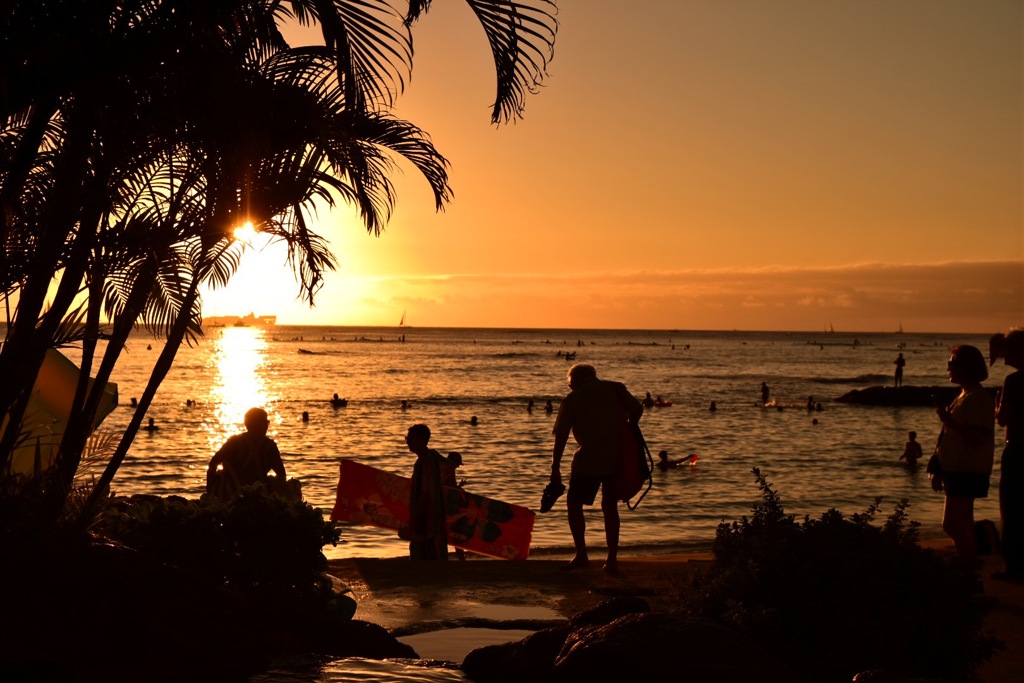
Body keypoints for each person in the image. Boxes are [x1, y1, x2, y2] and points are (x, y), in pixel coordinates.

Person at [549, 363, 643, 575]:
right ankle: (611, 560)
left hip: (588, 459)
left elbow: (561, 436)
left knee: (574, 504)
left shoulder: (573, 398)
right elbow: (637, 409)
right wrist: (628, 427)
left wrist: (555, 467)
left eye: (569, 383)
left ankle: (582, 554)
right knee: (610, 506)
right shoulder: (616, 388)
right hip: (616, 457)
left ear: (574, 382)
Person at [931, 345, 995, 559]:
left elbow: (979, 438)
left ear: (966, 367)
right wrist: (938, 468)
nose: (948, 368)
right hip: (956, 467)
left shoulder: (978, 398)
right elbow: (948, 438)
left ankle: (971, 567)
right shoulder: (964, 395)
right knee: (958, 523)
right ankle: (971, 569)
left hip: (967, 468)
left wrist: (951, 422)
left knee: (953, 524)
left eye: (953, 364)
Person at [206, 407, 290, 500]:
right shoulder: (236, 442)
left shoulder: (269, 446)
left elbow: (281, 474)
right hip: (237, 491)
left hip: (254, 491)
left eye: (266, 423)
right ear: (249, 425)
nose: (266, 426)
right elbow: (213, 463)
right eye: (262, 423)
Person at [401, 424, 456, 561]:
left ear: (422, 440)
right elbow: (450, 466)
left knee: (424, 559)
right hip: (436, 518)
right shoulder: (433, 457)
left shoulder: (423, 463)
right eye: (407, 438)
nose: (408, 441)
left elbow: (424, 494)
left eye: (411, 438)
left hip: (427, 519)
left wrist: (414, 523)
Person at [995, 329, 1024, 580]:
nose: (1003, 355)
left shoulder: (1014, 381)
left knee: (1012, 507)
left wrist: (997, 409)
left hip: (1017, 447)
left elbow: (1003, 418)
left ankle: (1012, 565)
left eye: (1007, 349)